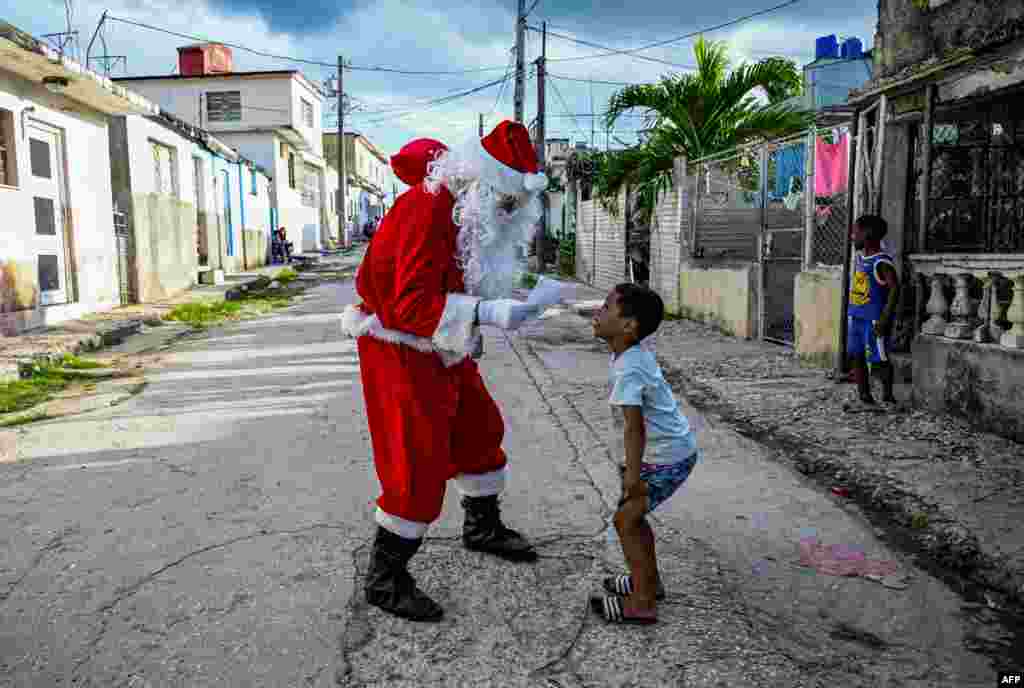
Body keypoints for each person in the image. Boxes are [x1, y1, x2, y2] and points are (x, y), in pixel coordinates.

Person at [341, 122, 549, 622]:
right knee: (416, 458)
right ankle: (385, 579)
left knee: (478, 427)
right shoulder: (427, 208)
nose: (508, 213)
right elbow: (410, 304)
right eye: (504, 201)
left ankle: (481, 527)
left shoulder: (462, 213)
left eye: (515, 206)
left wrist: (516, 293)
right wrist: (491, 313)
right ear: (479, 181)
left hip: (441, 345)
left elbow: (463, 275)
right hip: (399, 345)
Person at [590, 283, 699, 625]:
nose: (597, 312)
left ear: (628, 326)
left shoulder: (629, 367)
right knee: (634, 519)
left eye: (607, 307)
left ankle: (642, 602)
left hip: (667, 458)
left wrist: (633, 476)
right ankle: (647, 582)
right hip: (668, 454)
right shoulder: (628, 356)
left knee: (626, 520)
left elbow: (634, 428)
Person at [847, 214, 900, 411]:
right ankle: (864, 397)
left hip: (873, 321)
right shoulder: (861, 258)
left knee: (879, 359)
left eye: (856, 232)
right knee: (857, 356)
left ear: (867, 234)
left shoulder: (882, 261)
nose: (853, 236)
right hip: (857, 318)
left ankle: (888, 398)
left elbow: (895, 288)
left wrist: (885, 319)